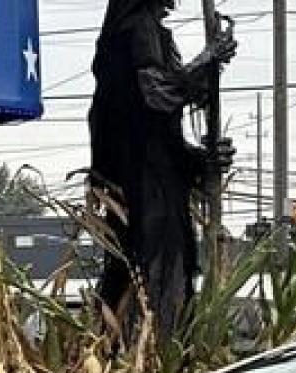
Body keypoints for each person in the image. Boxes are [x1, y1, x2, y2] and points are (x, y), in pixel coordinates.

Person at [89, 0, 236, 337]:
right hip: (142, 191)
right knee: (151, 278)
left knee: (167, 277)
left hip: (159, 187)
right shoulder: (133, 28)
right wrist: (207, 59)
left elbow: (162, 129)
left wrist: (202, 161)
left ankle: (162, 350)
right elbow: (155, 94)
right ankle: (150, 353)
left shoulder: (152, 31)